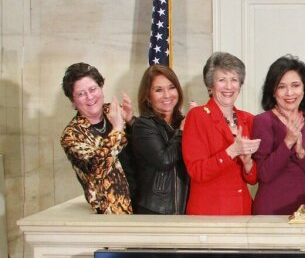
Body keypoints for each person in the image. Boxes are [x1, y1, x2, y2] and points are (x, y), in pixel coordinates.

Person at [182, 52, 261, 215]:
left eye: (234, 80)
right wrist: (232, 151)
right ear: (210, 85)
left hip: (242, 212)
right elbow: (197, 171)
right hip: (209, 214)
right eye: (222, 80)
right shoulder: (198, 116)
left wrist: (248, 164)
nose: (229, 86)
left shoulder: (249, 119)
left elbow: (253, 179)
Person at [60, 62, 135, 214]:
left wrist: (132, 122)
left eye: (93, 89)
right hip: (112, 214)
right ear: (73, 101)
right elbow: (96, 168)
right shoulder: (71, 135)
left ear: (101, 87)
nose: (89, 97)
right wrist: (118, 129)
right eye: (81, 94)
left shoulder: (114, 110)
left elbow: (143, 150)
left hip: (144, 203)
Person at [252, 55, 305, 215]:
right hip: (271, 208)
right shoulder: (263, 121)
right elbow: (263, 174)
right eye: (281, 87)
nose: (290, 93)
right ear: (273, 91)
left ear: (304, 88)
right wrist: (288, 142)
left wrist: (301, 153)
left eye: (295, 85)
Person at [130, 65, 189, 214]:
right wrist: (182, 132)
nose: (167, 95)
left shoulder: (181, 121)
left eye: (171, 87)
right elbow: (164, 160)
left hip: (183, 208)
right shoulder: (143, 125)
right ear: (148, 96)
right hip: (155, 211)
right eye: (158, 90)